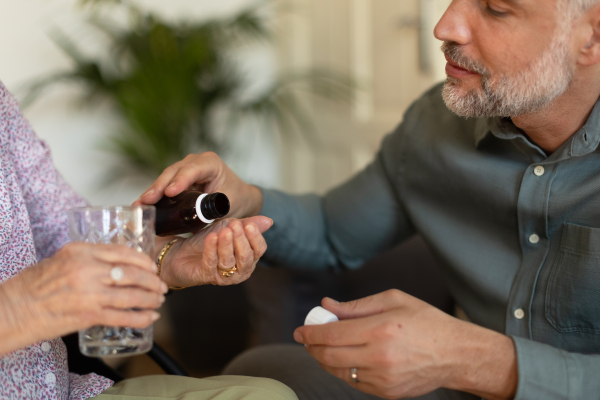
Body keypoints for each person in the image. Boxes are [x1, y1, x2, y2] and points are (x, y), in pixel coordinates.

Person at [135, 0, 600, 399]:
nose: (445, 26)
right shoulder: (435, 126)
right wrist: (245, 199)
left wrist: (477, 360)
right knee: (262, 371)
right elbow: (331, 231)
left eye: (496, 7)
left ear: (592, 37)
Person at [0, 81, 297, 400]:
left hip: (65, 390)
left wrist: (167, 259)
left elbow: (66, 231)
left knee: (270, 395)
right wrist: (17, 309)